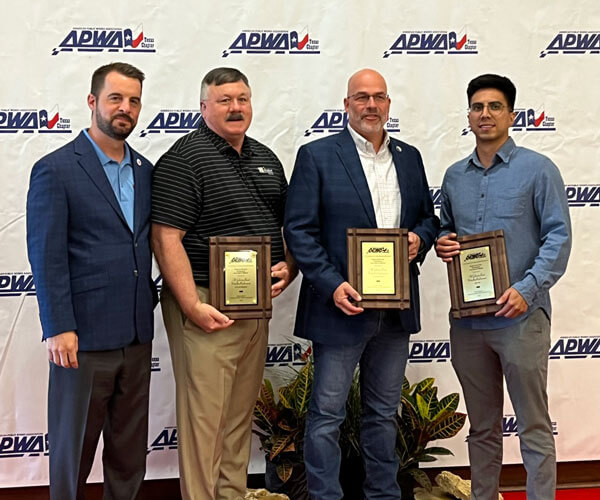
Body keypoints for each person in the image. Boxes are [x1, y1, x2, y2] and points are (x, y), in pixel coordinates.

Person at [284, 68, 439, 500]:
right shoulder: (317, 155)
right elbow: (299, 230)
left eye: (379, 97)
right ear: (346, 104)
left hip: (395, 310)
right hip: (340, 307)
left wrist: (419, 239)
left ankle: (383, 495)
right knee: (327, 415)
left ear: (389, 104)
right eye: (362, 97)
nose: (371, 105)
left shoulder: (409, 157)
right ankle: (325, 497)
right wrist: (333, 284)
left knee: (383, 414)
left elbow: (428, 218)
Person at [151, 67, 296, 500]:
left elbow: (287, 226)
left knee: (237, 417)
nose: (235, 108)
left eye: (242, 99)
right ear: (203, 107)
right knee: (205, 420)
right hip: (204, 302)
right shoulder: (185, 158)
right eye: (224, 100)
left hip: (253, 307)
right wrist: (192, 305)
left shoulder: (266, 157)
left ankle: (231, 494)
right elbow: (165, 237)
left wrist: (289, 265)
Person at [435, 74, 572, 500]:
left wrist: (527, 289)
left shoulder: (538, 169)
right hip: (470, 324)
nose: (485, 114)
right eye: (477, 107)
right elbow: (448, 230)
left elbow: (558, 237)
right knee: (482, 428)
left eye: (495, 106)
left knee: (532, 424)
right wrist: (442, 241)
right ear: (469, 116)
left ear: (512, 115)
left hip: (520, 318)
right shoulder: (454, 176)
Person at [26, 62, 156, 500]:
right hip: (80, 339)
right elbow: (46, 256)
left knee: (129, 452)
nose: (125, 108)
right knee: (73, 450)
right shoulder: (56, 169)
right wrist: (58, 325)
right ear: (92, 101)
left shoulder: (146, 170)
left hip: (137, 335)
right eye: (116, 98)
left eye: (134, 100)